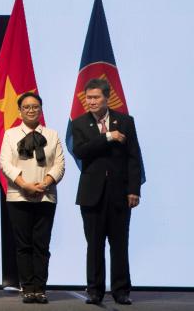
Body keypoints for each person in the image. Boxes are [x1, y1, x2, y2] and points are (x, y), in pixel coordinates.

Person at [71, 78, 143, 306]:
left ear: (106, 98)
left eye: (95, 97)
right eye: (88, 98)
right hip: (91, 195)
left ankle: (121, 290)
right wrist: (108, 136)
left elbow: (134, 157)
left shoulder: (125, 121)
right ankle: (94, 291)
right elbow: (81, 151)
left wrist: (134, 190)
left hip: (120, 193)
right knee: (94, 245)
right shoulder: (79, 123)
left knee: (120, 244)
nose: (91, 102)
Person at [0, 92, 65, 304]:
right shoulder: (10, 134)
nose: (31, 110)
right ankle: (27, 287)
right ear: (19, 111)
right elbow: (5, 163)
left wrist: (45, 183)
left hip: (46, 196)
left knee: (41, 245)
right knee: (23, 245)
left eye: (35, 106)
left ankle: (40, 288)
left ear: (41, 109)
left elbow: (60, 164)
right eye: (26, 107)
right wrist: (25, 185)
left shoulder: (52, 134)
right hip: (18, 195)